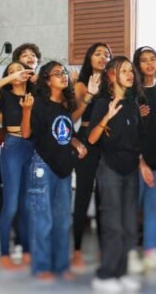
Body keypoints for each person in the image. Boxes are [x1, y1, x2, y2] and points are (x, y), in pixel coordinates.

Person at [21, 61, 90, 282]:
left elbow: (63, 133)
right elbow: (25, 134)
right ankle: (41, 267)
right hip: (43, 166)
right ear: (47, 80)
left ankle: (61, 265)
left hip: (64, 168)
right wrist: (26, 111)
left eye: (64, 73)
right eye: (57, 73)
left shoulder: (65, 105)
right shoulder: (39, 104)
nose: (63, 76)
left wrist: (76, 143)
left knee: (62, 221)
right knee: (43, 220)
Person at [87, 57, 143, 292]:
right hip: (110, 169)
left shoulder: (133, 103)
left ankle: (120, 272)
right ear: (111, 76)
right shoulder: (102, 103)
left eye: (131, 70)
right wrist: (106, 117)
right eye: (124, 70)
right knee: (113, 225)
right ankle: (105, 274)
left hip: (131, 170)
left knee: (129, 225)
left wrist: (143, 163)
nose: (130, 74)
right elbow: (91, 139)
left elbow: (137, 138)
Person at [0, 61, 34, 269]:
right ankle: (4, 254)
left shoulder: (34, 96)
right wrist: (12, 77)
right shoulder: (4, 96)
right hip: (12, 147)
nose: (17, 74)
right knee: (11, 204)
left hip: (31, 147)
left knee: (26, 205)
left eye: (20, 70)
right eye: (12, 71)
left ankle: (28, 251)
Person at [72, 43, 110, 270]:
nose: (102, 57)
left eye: (106, 54)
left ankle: (103, 247)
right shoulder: (79, 83)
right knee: (83, 195)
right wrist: (88, 94)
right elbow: (73, 116)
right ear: (89, 57)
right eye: (97, 53)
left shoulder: (112, 85)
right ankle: (76, 248)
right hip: (85, 139)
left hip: (107, 141)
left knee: (104, 197)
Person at [135, 46, 156, 271]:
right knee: (131, 210)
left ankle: (151, 253)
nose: (149, 64)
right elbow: (126, 130)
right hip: (136, 162)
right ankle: (129, 254)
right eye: (144, 60)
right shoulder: (133, 93)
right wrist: (140, 161)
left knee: (153, 209)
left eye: (153, 59)